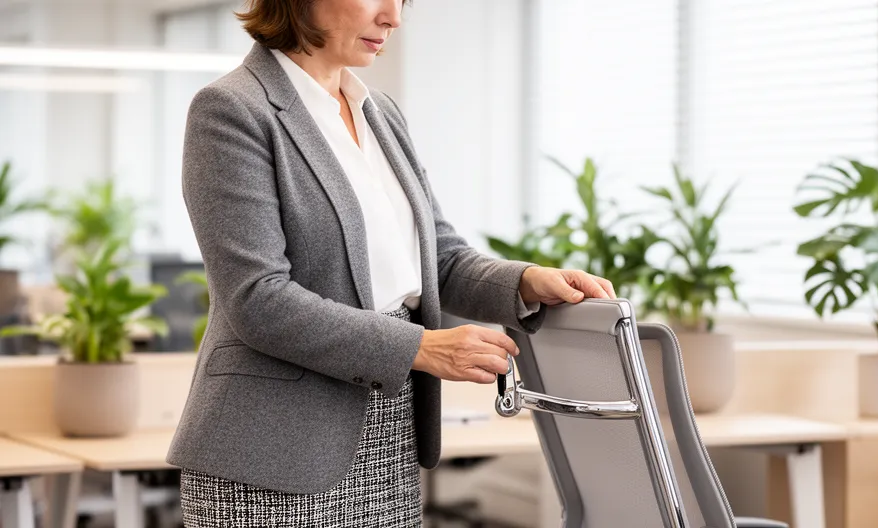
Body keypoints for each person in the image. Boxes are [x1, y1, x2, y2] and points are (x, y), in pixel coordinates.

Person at [165, 0, 616, 526]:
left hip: (390, 435)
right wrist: (422, 346)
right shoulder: (232, 109)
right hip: (271, 453)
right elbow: (257, 299)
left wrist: (525, 282)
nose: (393, 18)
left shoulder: (378, 111)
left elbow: (437, 260)